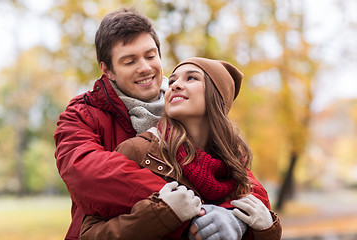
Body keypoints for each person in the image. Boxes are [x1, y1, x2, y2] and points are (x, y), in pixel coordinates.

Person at [54, 8, 271, 240]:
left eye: (150, 56)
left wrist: (230, 217)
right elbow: (87, 175)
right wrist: (179, 203)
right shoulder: (82, 115)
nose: (145, 68)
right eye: (129, 61)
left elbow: (241, 179)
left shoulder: (187, 109)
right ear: (108, 71)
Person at [79, 57, 282, 240]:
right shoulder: (140, 151)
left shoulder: (236, 166)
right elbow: (89, 233)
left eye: (191, 78)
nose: (174, 86)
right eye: (173, 80)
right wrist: (162, 214)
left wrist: (263, 230)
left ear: (216, 97)